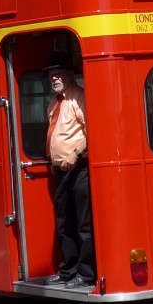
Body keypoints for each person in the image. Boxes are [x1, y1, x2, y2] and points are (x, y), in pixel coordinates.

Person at [43, 52, 95, 289]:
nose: (54, 78)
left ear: (70, 75)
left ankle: (85, 273)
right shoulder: (54, 102)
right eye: (52, 74)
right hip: (61, 171)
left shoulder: (79, 97)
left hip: (79, 168)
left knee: (83, 223)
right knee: (64, 222)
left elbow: (91, 131)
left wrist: (75, 155)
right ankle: (68, 270)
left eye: (59, 73)